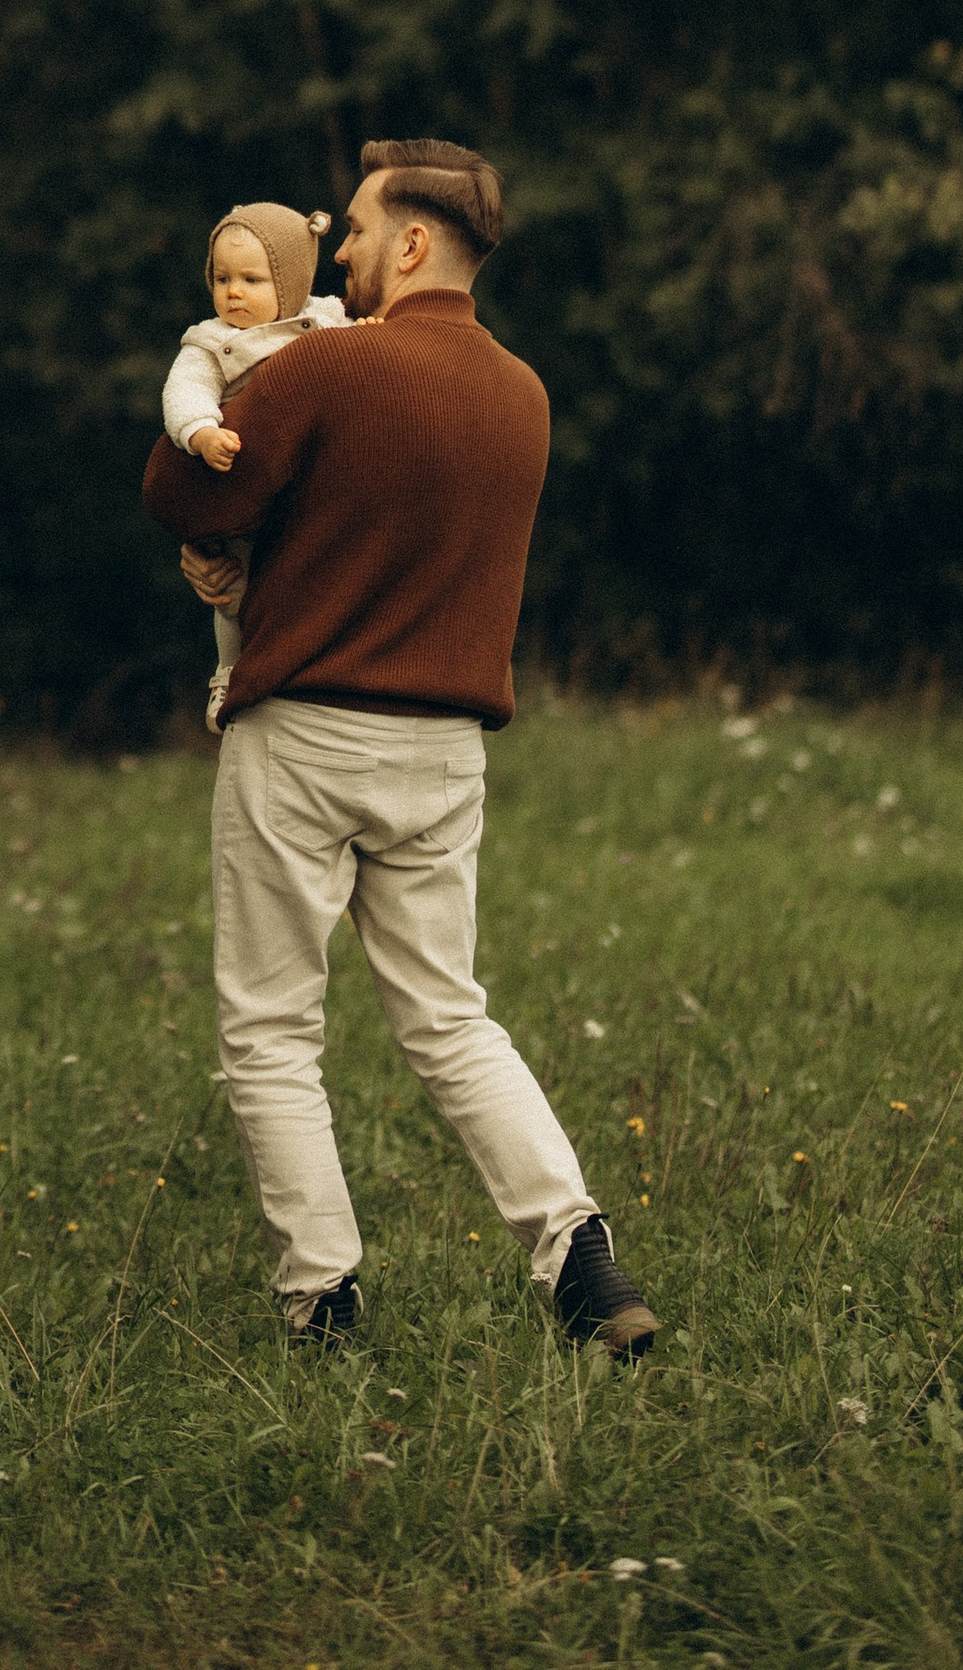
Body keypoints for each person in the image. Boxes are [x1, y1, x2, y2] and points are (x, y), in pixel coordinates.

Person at [142, 137, 656, 1361]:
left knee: (272, 1029)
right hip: (445, 753)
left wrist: (226, 535)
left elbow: (183, 490)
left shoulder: (329, 365)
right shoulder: (524, 395)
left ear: (415, 241)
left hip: (306, 735)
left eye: (361, 232)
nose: (342, 258)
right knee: (448, 1017)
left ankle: (321, 1299)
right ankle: (578, 1255)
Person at [157, 200, 345, 728]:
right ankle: (229, 673)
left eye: (251, 280)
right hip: (241, 485)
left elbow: (363, 355)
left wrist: (374, 329)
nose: (233, 292)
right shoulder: (212, 340)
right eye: (222, 278)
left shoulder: (326, 319)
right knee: (230, 587)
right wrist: (201, 432)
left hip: (308, 487)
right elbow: (184, 390)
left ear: (292, 282)